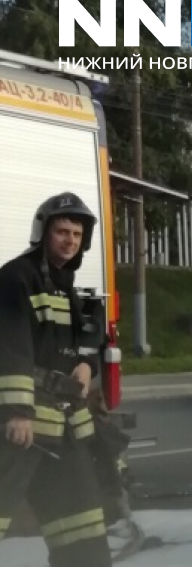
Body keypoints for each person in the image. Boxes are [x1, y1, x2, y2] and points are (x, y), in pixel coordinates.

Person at [0, 192, 112, 567]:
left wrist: (86, 364)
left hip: (62, 429)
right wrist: (18, 412)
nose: (69, 240)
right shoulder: (16, 278)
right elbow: (11, 346)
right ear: (43, 233)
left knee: (82, 526)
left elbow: (85, 337)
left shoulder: (65, 286)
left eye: (77, 235)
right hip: (21, 430)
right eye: (62, 231)